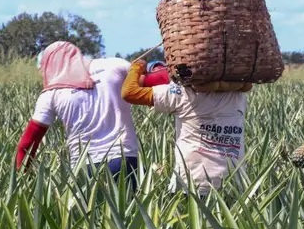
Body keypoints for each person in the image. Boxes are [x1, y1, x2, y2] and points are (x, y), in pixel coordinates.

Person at [15, 41, 141, 188]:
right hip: (124, 160)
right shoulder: (115, 65)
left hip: (83, 168)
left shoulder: (51, 93)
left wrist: (23, 180)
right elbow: (151, 81)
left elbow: (28, 143)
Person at [121, 60, 249, 196]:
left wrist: (137, 66)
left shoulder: (182, 94)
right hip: (233, 184)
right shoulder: (238, 94)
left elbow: (129, 92)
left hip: (191, 184)